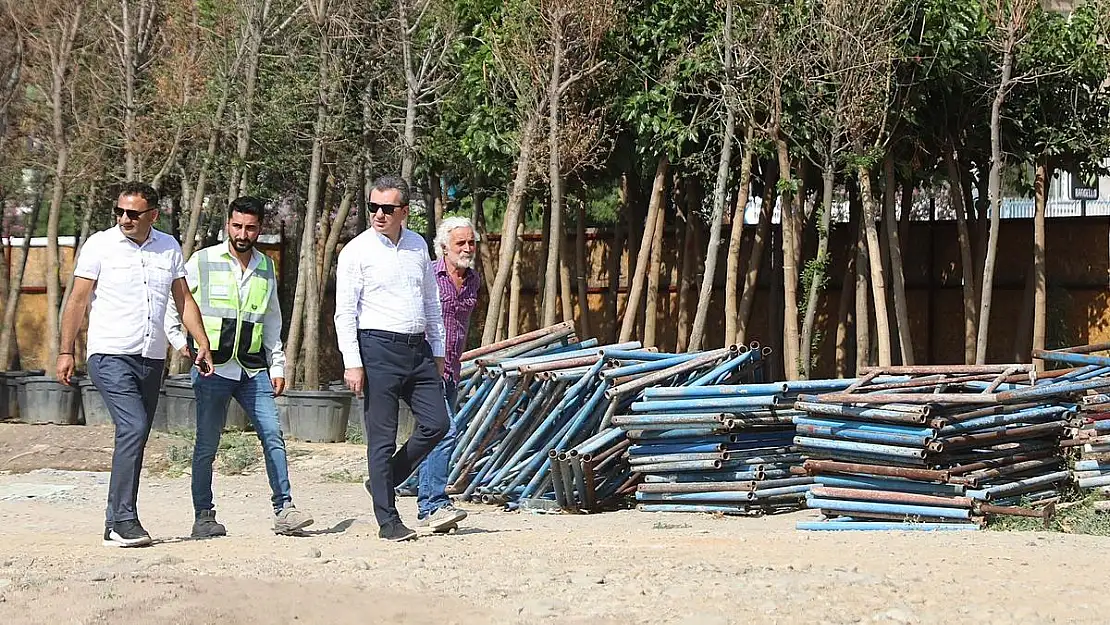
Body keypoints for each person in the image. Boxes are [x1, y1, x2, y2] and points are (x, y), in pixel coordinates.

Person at [57, 182, 215, 548]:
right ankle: (124, 521)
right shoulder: (100, 245)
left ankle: (115, 520)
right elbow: (78, 301)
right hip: (109, 354)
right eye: (119, 212)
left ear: (153, 215)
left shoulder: (169, 247)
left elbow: (183, 300)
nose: (124, 218)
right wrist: (66, 350)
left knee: (136, 435)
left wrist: (201, 341)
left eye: (133, 213)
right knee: (134, 425)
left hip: (151, 358)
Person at [165, 196, 314, 538]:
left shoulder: (265, 267)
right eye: (236, 226)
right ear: (227, 224)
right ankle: (203, 516)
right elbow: (174, 306)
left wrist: (277, 364)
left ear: (259, 228)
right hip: (212, 370)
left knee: (273, 435)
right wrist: (180, 343)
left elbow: (272, 318)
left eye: (249, 227)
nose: (242, 233)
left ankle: (285, 510)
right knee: (207, 444)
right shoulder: (202, 261)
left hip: (252, 370)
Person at [335, 175, 449, 542]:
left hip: (417, 348)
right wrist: (352, 361)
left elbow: (432, 302)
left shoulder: (418, 247)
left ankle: (386, 479)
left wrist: (439, 350)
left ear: (404, 211)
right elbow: (344, 312)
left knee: (438, 424)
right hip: (377, 349)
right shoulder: (356, 251)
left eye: (387, 208)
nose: (379, 215)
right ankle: (388, 520)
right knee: (381, 438)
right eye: (373, 207)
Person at [411, 216, 480, 532]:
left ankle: (405, 488)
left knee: (432, 434)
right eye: (460, 243)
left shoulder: (473, 280)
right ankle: (434, 503)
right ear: (443, 248)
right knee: (446, 430)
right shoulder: (428, 276)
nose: (467, 248)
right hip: (426, 368)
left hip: (452, 369)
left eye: (471, 242)